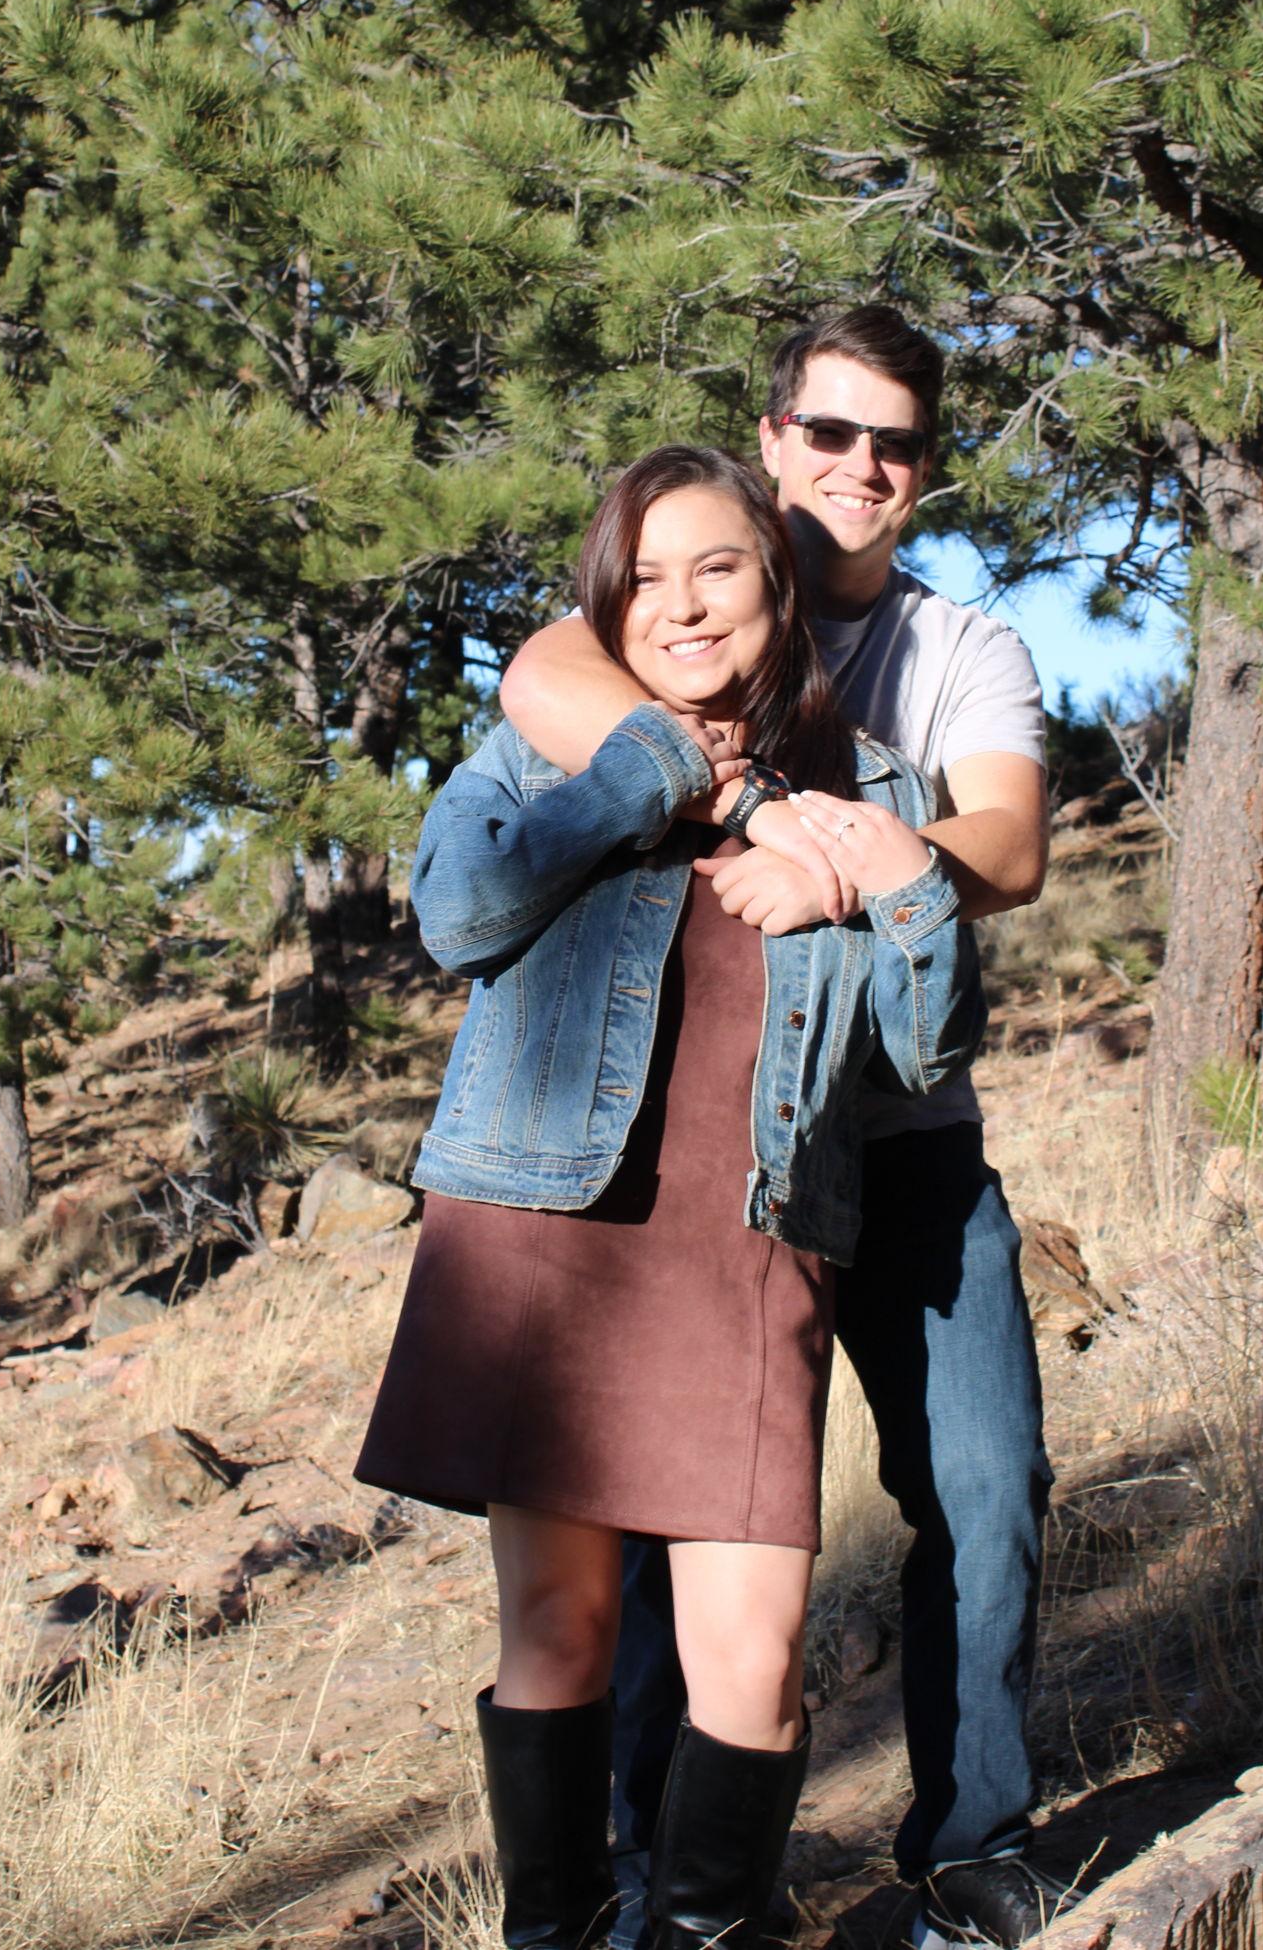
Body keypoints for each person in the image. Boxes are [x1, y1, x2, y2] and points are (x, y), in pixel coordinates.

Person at [355, 444, 986, 1950]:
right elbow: (458, 912)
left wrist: (877, 884)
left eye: (716, 567)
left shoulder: (872, 793)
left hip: (751, 1241)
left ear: (777, 582)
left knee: (754, 1651)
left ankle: (707, 1932)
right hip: (541, 1231)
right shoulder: (543, 744)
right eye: (643, 579)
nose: (683, 605)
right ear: (605, 606)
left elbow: (925, 1041)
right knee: (557, 1629)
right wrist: (657, 776)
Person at [499, 309, 1060, 1949]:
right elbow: (542, 672)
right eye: (828, 433)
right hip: (711, 1156)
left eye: (892, 443)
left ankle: (970, 1846)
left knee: (985, 1474)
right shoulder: (691, 597)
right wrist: (749, 807)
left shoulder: (966, 650)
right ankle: (666, 1887)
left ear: (926, 467)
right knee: (685, 1529)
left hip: (905, 1139)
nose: (858, 469)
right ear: (770, 437)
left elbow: (1010, 843)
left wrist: (860, 859)